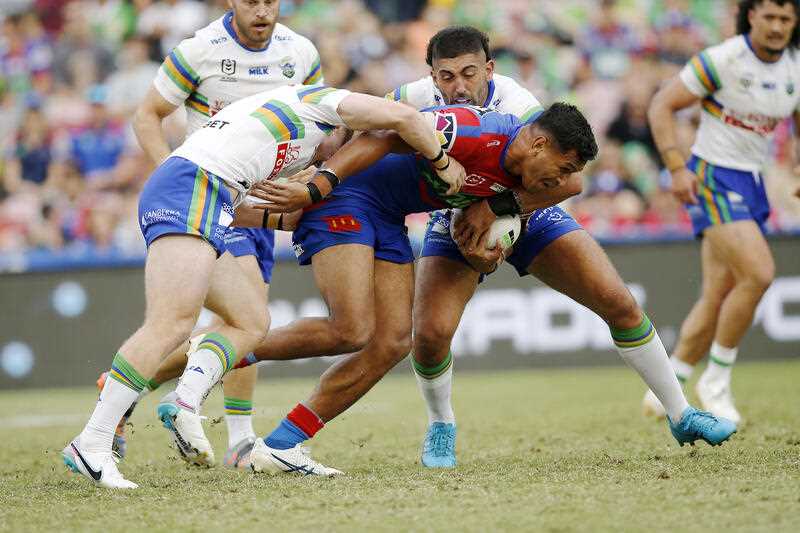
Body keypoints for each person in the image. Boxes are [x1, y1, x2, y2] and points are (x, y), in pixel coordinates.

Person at [235, 101, 679, 477]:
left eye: (469, 72)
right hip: (364, 202)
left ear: (487, 69)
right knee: (358, 331)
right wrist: (319, 181)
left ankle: (280, 439)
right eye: (448, 74)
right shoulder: (455, 120)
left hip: (413, 214)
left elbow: (568, 181)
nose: (459, 83)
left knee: (390, 341)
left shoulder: (519, 119)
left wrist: (496, 219)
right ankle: (213, 352)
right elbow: (383, 130)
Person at [61, 84, 465, 489]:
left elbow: (263, 216)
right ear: (343, 127)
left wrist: (286, 213)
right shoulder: (320, 102)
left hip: (208, 196)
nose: (330, 160)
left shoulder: (283, 139)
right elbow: (406, 118)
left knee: (251, 321)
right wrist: (443, 163)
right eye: (337, 148)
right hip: (193, 186)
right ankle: (93, 441)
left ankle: (187, 389)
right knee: (172, 321)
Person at [98, 0, 326, 468]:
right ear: (231, 2)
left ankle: (130, 385)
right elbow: (147, 116)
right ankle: (238, 440)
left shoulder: (300, 52)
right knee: (248, 319)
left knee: (245, 324)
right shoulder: (199, 50)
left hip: (264, 206)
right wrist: (177, 178)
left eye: (270, 0)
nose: (262, 9)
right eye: (251, 1)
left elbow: (317, 122)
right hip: (212, 200)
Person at [644, 0, 800, 424]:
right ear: (751, 16)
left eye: (786, 19)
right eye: (769, 16)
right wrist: (676, 167)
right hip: (712, 177)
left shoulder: (794, 67)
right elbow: (661, 105)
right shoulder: (723, 60)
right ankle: (717, 381)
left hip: (752, 183)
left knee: (717, 294)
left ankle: (668, 385)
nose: (777, 26)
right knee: (759, 274)